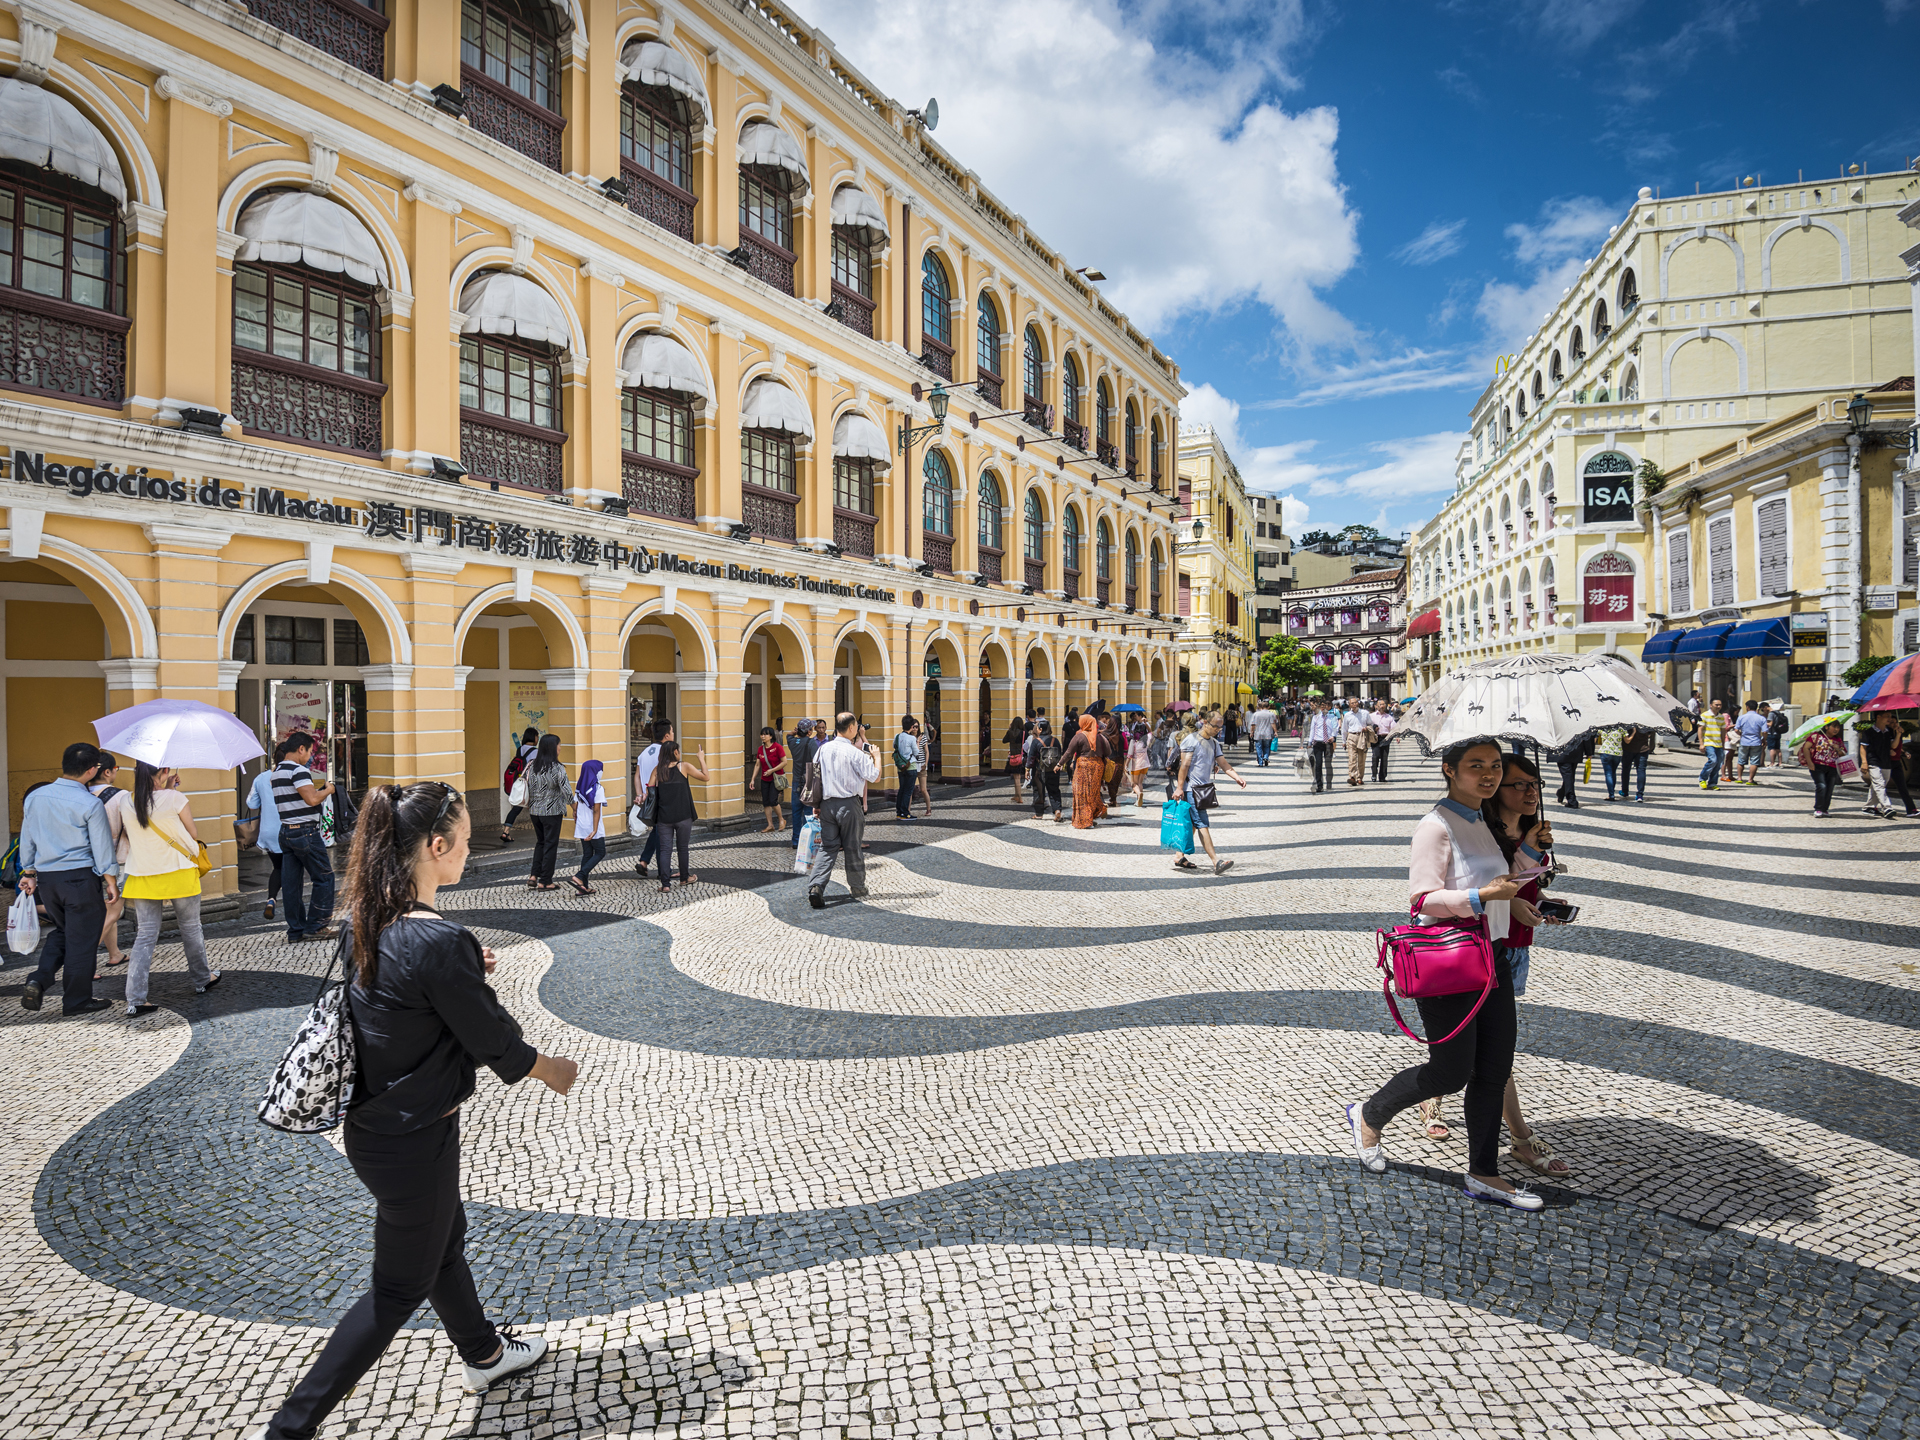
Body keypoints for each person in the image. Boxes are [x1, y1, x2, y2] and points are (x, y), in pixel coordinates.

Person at [243, 782, 580, 1440]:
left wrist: (462, 964)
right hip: (410, 1140)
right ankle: (288, 1429)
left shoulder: (374, 921)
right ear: (436, 846)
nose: (466, 847)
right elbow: (494, 1041)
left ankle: (483, 1353)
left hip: (386, 1129)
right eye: (460, 835)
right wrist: (550, 1070)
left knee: (442, 1240)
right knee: (398, 1288)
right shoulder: (434, 940)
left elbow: (408, 995)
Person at [1346, 738, 1542, 1211]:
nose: (1489, 774)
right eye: (1476, 766)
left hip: (1491, 955)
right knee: (1451, 1072)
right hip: (1452, 961)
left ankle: (1484, 1174)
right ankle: (1370, 1113)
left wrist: (1529, 856)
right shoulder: (1436, 825)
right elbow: (1422, 899)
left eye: (1494, 766)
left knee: (1493, 1070)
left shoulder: (1485, 821)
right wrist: (1481, 899)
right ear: (1450, 771)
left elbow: (1499, 882)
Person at [1482, 753, 1571, 1180]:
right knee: (1495, 1046)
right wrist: (1527, 856)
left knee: (1480, 1038)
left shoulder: (1536, 833)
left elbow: (1525, 894)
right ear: (1495, 790)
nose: (1530, 792)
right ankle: (1520, 1137)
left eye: (1534, 784)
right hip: (1484, 947)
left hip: (1518, 949)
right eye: (1518, 784)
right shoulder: (1486, 836)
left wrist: (1541, 907)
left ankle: (1434, 1095)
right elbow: (1488, 892)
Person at [109, 762, 220, 1017]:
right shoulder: (175, 798)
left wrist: (166, 788)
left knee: (145, 936)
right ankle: (203, 979)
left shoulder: (126, 801)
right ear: (164, 771)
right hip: (179, 871)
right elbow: (192, 834)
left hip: (142, 874)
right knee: (190, 928)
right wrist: (170, 790)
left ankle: (135, 998)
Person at [17, 742, 119, 1016]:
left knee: (66, 932)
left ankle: (39, 978)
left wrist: (28, 872)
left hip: (48, 881)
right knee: (83, 940)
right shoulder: (89, 803)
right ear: (92, 770)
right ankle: (76, 1001)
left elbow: (26, 838)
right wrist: (110, 879)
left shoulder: (35, 797)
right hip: (79, 880)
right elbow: (101, 846)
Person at [807, 713, 882, 906]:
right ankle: (858, 887)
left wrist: (817, 805)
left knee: (827, 847)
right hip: (849, 805)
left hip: (827, 804)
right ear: (851, 728)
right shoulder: (855, 753)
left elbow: (814, 776)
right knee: (852, 847)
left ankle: (816, 886)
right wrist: (877, 757)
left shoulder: (823, 749)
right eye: (856, 725)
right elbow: (875, 777)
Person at [273, 732, 337, 944]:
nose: (310, 756)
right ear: (301, 748)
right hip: (305, 832)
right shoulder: (298, 771)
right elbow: (311, 799)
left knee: (291, 885)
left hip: (286, 832)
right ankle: (317, 927)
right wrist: (328, 790)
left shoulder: (277, 772)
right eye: (309, 751)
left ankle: (296, 930)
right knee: (324, 877)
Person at [1171, 710, 1246, 875]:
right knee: (1202, 824)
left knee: (1192, 824)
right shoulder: (1191, 740)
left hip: (1203, 791)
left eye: (1220, 727)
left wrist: (1237, 778)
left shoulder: (1213, 743)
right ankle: (1216, 861)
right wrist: (1179, 788)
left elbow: (1224, 764)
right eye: (1215, 726)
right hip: (1191, 790)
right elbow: (1184, 766)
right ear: (1204, 722)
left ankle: (1178, 856)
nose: (1218, 730)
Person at [647, 741, 708, 890]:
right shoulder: (684, 766)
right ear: (675, 752)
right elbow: (706, 777)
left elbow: (650, 791)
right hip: (683, 816)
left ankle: (665, 885)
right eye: (678, 750)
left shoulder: (657, 770)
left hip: (664, 817)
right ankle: (684, 878)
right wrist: (701, 758)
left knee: (665, 850)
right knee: (682, 848)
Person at [89, 758, 128, 970]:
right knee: (114, 911)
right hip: (117, 861)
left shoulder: (81, 794)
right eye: (116, 769)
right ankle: (81, 963)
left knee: (105, 909)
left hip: (88, 862)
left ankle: (115, 954)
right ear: (107, 772)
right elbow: (131, 830)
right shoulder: (122, 796)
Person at [519, 734, 569, 892]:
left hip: (534, 811)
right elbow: (566, 790)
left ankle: (534, 875)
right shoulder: (557, 768)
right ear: (553, 748)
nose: (560, 748)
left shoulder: (532, 765)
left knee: (540, 842)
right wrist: (574, 806)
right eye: (559, 745)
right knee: (550, 844)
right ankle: (545, 881)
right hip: (552, 812)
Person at [245, 745, 288, 924]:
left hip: (268, 832)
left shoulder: (261, 778)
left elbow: (251, 804)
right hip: (288, 830)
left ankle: (271, 899)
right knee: (292, 869)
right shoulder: (293, 775)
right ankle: (293, 910)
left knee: (278, 867)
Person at [632, 720, 670, 876]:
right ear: (667, 735)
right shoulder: (665, 753)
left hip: (648, 797)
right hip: (660, 796)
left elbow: (637, 776)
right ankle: (663, 871)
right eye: (672, 732)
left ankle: (644, 861)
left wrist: (640, 794)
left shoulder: (644, 752)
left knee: (657, 830)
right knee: (663, 833)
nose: (673, 734)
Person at [1860, 711, 1914, 818]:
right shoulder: (1869, 731)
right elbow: (1863, 747)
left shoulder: (1888, 731)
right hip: (1873, 761)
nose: (1889, 719)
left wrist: (1898, 734)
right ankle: (1887, 807)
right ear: (1878, 717)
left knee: (1878, 785)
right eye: (1887, 716)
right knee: (1879, 784)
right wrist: (1864, 762)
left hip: (1886, 762)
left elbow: (1893, 745)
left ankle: (1869, 807)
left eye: (1890, 716)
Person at [567, 759, 606, 897]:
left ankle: (583, 887)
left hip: (582, 825)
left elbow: (574, 805)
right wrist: (595, 830)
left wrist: (575, 813)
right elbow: (596, 810)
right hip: (592, 825)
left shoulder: (580, 787)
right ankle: (580, 875)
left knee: (587, 854)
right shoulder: (598, 788)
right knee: (600, 852)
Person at [1063, 713, 1106, 829]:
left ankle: (1085, 821)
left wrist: (1059, 764)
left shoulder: (1079, 736)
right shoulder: (1099, 737)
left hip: (1083, 767)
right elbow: (1108, 752)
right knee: (1092, 793)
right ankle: (1091, 817)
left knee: (1081, 793)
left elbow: (1068, 752)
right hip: (1097, 767)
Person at [498, 726, 538, 846]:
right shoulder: (535, 751)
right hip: (530, 782)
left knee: (516, 808)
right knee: (536, 808)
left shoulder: (520, 749)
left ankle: (506, 831)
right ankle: (542, 834)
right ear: (535, 737)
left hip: (519, 782)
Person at [1799, 719, 1845, 817]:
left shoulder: (1838, 740)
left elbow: (1843, 753)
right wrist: (1810, 763)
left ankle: (1825, 809)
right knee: (1822, 786)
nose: (1836, 729)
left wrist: (1837, 748)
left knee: (1829, 788)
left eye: (1837, 727)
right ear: (1826, 727)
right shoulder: (1816, 736)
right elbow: (1806, 748)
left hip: (1832, 766)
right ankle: (1818, 808)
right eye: (1833, 726)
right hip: (1818, 765)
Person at [786, 719, 818, 848]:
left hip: (796, 781)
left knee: (796, 812)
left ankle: (796, 840)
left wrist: (793, 732)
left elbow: (788, 735)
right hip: (808, 781)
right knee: (808, 812)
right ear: (809, 732)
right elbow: (816, 763)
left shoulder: (792, 742)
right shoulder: (811, 743)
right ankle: (807, 839)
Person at [1027, 719, 1066, 821]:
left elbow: (1031, 757)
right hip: (1053, 770)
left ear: (1040, 729)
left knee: (1039, 792)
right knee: (1054, 791)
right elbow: (1059, 754)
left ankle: (1039, 814)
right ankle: (1057, 810)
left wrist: (1027, 769)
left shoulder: (1036, 742)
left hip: (1039, 771)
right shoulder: (1055, 740)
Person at [754, 727, 787, 833]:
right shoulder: (760, 749)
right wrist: (753, 779)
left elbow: (784, 762)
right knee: (766, 802)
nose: (763, 736)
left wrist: (772, 770)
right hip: (765, 778)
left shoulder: (778, 747)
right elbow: (757, 764)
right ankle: (770, 825)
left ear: (771, 736)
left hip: (776, 778)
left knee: (773, 800)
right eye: (761, 734)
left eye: (765, 734)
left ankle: (781, 820)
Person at [1305, 699, 1339, 793]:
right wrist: (1309, 742)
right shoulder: (1315, 718)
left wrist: (1333, 736)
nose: (1324, 708)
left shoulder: (1332, 717)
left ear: (1329, 707)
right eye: (1322, 706)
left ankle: (1329, 782)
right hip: (1318, 742)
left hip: (1328, 743)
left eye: (1325, 706)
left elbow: (1335, 728)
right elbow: (1312, 730)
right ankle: (1319, 785)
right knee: (1318, 764)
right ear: (1320, 707)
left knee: (1328, 764)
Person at [892, 714, 920, 821]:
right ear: (912, 726)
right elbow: (916, 752)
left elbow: (894, 746)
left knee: (901, 789)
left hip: (900, 766)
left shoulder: (897, 736)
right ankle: (905, 813)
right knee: (908, 791)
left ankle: (899, 812)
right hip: (911, 766)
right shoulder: (912, 738)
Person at [1733, 700, 1768, 785]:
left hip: (1744, 741)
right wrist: (1764, 739)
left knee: (1741, 760)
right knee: (1754, 761)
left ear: (1747, 707)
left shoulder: (1741, 717)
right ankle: (1750, 780)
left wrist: (1741, 734)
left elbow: (1736, 729)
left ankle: (1739, 777)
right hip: (1756, 741)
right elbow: (1765, 731)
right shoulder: (1761, 718)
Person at [1342, 699, 1375, 788]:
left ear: (1358, 703)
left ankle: (1360, 777)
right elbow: (1344, 729)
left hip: (1362, 736)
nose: (1354, 705)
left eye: (1355, 703)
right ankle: (1352, 776)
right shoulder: (1347, 715)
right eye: (1352, 703)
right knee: (1352, 758)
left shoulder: (1365, 713)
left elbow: (1370, 724)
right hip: (1351, 736)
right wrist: (1344, 741)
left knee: (1361, 758)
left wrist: (1366, 728)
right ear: (1349, 705)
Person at [1697, 699, 1729, 791]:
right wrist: (1701, 744)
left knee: (1718, 763)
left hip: (1718, 743)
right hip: (1708, 742)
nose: (1718, 706)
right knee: (1713, 760)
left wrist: (1723, 743)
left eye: (1720, 705)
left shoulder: (1721, 717)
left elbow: (1723, 731)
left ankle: (1712, 783)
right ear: (1711, 705)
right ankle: (1702, 778)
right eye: (1716, 704)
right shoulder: (1704, 715)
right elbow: (1700, 729)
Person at [1620, 723, 1655, 803]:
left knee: (1625, 769)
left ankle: (1624, 791)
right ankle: (1640, 794)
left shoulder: (1627, 721)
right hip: (1643, 749)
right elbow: (1650, 732)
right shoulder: (1645, 721)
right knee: (1641, 771)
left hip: (1628, 749)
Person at [1004, 713, 1029, 806]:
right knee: (1017, 777)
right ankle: (1016, 795)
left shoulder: (1010, 732)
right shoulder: (1023, 733)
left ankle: (1019, 797)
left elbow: (1004, 740)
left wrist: (1009, 729)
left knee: (1016, 777)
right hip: (1020, 757)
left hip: (1012, 756)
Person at [1595, 724, 1626, 800]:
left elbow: (1597, 738)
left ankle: (1611, 794)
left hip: (1606, 751)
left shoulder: (1604, 728)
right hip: (1617, 753)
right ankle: (1612, 791)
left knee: (1608, 773)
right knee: (1613, 772)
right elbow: (1627, 740)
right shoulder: (1622, 728)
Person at [1370, 700, 1397, 783]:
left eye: (1383, 704)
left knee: (1384, 758)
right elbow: (1367, 725)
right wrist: (1373, 728)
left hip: (1386, 738)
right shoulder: (1371, 716)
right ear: (1376, 706)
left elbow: (1394, 728)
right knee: (1375, 756)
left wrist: (1397, 736)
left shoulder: (1389, 717)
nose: (1382, 706)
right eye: (1380, 704)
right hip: (1376, 738)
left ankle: (1382, 776)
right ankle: (1374, 774)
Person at [915, 718, 937, 818]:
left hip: (922, 764)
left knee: (923, 789)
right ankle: (907, 810)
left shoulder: (922, 737)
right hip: (913, 765)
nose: (915, 728)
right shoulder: (911, 738)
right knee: (910, 789)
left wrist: (926, 763)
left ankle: (928, 808)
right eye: (913, 727)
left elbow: (926, 751)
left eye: (916, 726)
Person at [1126, 721, 1151, 806]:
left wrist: (1126, 765)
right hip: (1145, 764)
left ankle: (1139, 795)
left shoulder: (1134, 742)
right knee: (1140, 783)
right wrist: (1146, 723)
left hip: (1136, 765)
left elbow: (1129, 755)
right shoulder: (1146, 739)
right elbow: (1150, 732)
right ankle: (1140, 800)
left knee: (1134, 784)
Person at [1250, 701, 1277, 767]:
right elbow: (1273, 724)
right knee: (1267, 747)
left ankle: (1260, 762)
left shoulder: (1256, 714)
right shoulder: (1271, 714)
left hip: (1258, 734)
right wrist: (1275, 731)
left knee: (1258, 748)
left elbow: (1253, 724)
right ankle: (1266, 757)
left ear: (1261, 707)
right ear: (1269, 707)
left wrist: (1251, 732)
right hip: (1268, 734)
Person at [1766, 702, 1790, 768]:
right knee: (1778, 749)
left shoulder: (1771, 714)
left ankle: (1772, 763)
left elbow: (1770, 724)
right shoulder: (1778, 713)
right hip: (1778, 732)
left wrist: (1764, 722)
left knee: (1772, 749)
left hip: (1772, 733)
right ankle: (1780, 763)